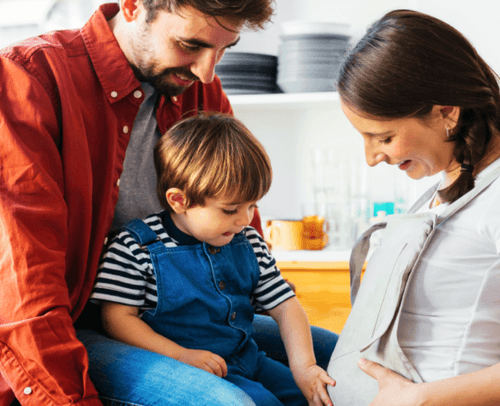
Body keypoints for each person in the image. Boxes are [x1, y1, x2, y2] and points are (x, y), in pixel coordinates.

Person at [0, 1, 338, 405]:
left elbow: (237, 223)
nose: (207, 72)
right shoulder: (30, 78)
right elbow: (26, 288)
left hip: (192, 315)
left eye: (225, 49)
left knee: (340, 358)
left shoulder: (199, 85)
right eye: (190, 45)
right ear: (132, 6)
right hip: (88, 323)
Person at [90, 113, 335, 406]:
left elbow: (285, 306)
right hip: (186, 367)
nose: (245, 220)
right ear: (179, 200)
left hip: (248, 359)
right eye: (230, 210)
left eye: (252, 206)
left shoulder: (249, 241)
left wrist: (305, 368)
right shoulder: (136, 246)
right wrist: (180, 355)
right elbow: (116, 318)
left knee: (318, 398)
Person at [333, 9, 500, 406]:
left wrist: (420, 398)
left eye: (384, 137)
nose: (371, 158)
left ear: (446, 112)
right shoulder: (448, 185)